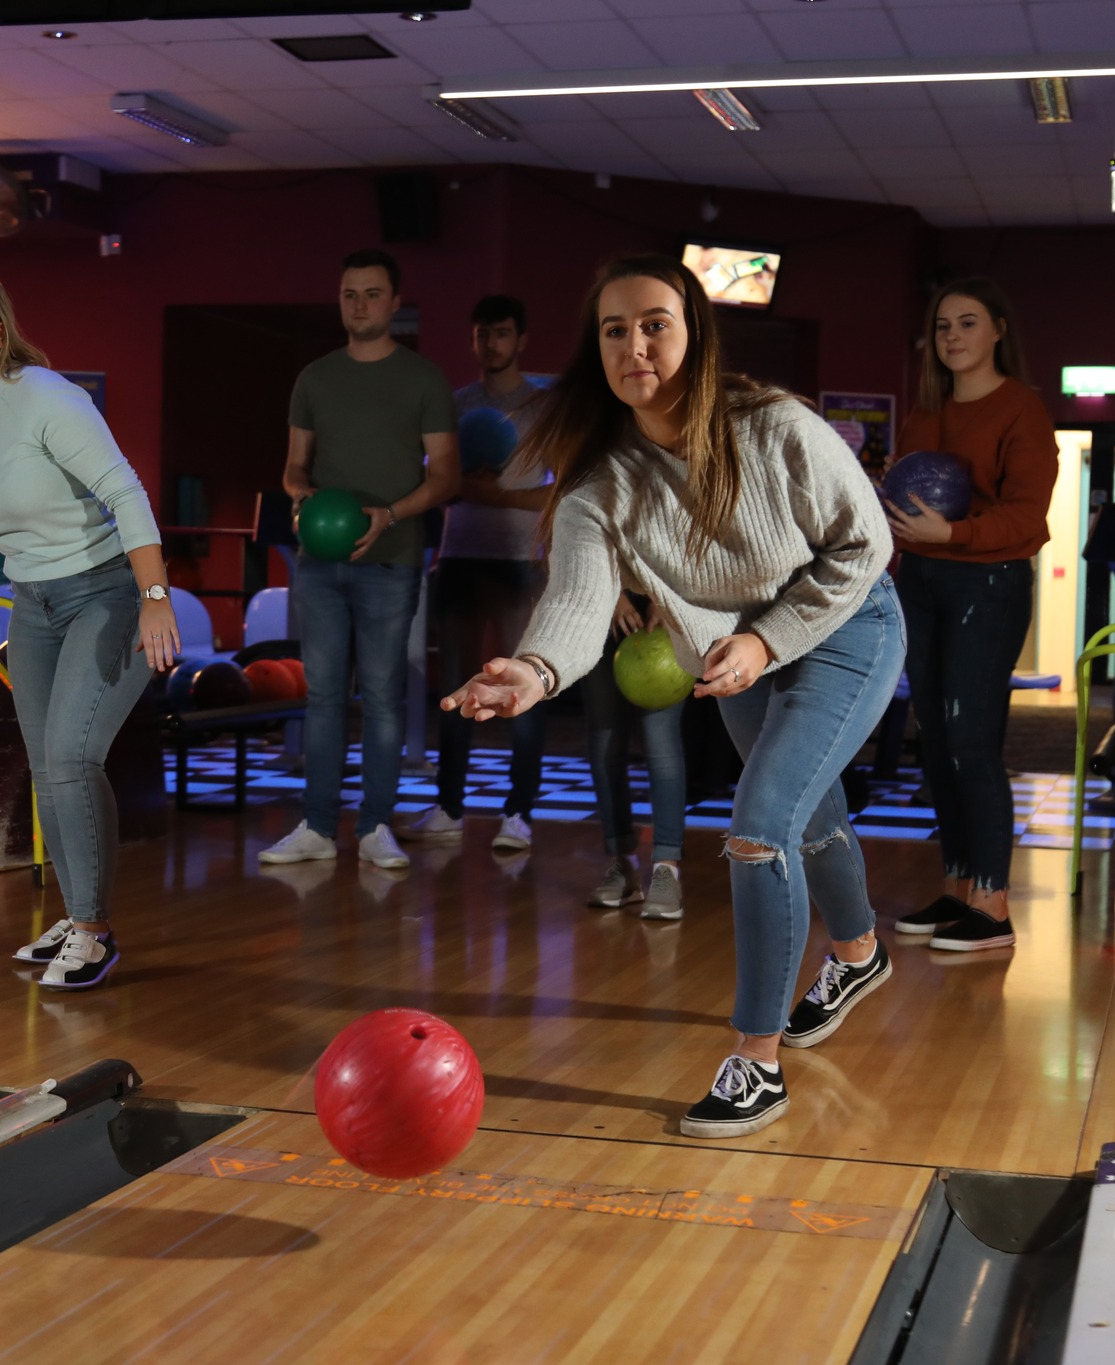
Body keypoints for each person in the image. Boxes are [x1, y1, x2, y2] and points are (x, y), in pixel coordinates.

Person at [445, 255, 902, 1139]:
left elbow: (864, 544)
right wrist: (532, 673)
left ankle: (755, 1063)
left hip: (848, 622)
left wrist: (769, 638)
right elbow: (578, 602)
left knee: (760, 821)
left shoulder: (773, 425)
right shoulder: (600, 479)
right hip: (731, 648)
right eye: (614, 330)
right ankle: (858, 951)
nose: (635, 344)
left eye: (654, 322)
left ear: (694, 332)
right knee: (808, 814)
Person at [0, 266, 178, 990]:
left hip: (109, 591)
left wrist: (154, 594)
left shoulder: (45, 397)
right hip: (31, 601)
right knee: (45, 765)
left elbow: (124, 489)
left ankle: (94, 932)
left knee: (71, 756)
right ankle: (77, 912)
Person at [260, 248, 459, 873]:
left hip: (392, 558)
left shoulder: (423, 379)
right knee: (322, 696)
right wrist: (299, 492)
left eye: (372, 294)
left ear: (395, 303)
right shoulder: (316, 377)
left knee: (380, 696)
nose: (360, 305)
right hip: (319, 559)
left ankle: (375, 826)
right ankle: (318, 827)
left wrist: (390, 515)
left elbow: (448, 478)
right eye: (350, 294)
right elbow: (294, 465)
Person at [886, 278, 1056, 954]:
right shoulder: (923, 414)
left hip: (988, 582)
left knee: (970, 741)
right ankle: (958, 886)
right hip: (923, 579)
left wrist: (951, 536)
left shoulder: (1022, 411)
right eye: (944, 325)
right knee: (933, 741)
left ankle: (993, 901)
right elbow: (905, 495)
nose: (953, 336)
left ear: (998, 331)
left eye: (968, 323)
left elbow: (1027, 516)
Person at [401, 294, 551, 854]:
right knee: (458, 688)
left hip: (521, 566)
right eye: (482, 334)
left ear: (521, 340)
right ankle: (448, 807)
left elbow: (555, 496)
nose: (492, 344)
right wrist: (481, 489)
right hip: (459, 560)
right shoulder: (455, 404)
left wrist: (488, 491)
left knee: (523, 686)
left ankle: (519, 813)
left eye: (503, 333)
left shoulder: (542, 409)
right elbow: (437, 482)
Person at [582, 591, 689, 918]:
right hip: (598, 601)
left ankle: (666, 870)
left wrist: (665, 596)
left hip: (668, 597)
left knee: (661, 742)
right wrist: (610, 595)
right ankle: (622, 863)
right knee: (604, 742)